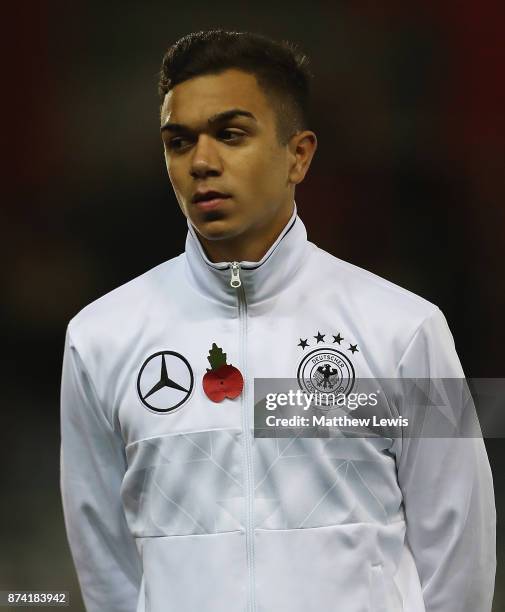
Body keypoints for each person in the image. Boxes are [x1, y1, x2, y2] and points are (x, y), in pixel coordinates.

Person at [60, 30, 496, 612]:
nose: (202, 162)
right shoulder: (100, 339)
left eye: (231, 134)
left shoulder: (408, 328)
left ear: (299, 155)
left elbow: (459, 549)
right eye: (179, 141)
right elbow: (104, 563)